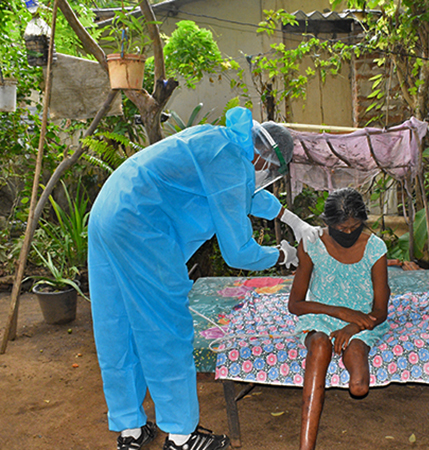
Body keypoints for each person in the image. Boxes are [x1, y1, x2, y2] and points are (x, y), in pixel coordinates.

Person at [88, 106, 321, 450]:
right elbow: (239, 252)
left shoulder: (222, 143)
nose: (265, 177)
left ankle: (130, 429)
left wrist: (292, 219)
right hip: (143, 228)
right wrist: (283, 255)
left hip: (109, 213)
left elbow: (243, 195)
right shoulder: (232, 162)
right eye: (270, 171)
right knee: (164, 328)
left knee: (116, 323)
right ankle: (182, 437)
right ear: (263, 158)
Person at [287, 187, 390, 450]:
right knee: (320, 345)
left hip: (361, 321)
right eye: (341, 228)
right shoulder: (312, 243)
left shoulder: (375, 248)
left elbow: (380, 310)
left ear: (363, 222)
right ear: (327, 224)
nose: (347, 233)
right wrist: (340, 312)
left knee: (359, 387)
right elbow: (295, 304)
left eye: (354, 227)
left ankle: (354, 341)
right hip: (320, 316)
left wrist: (354, 324)